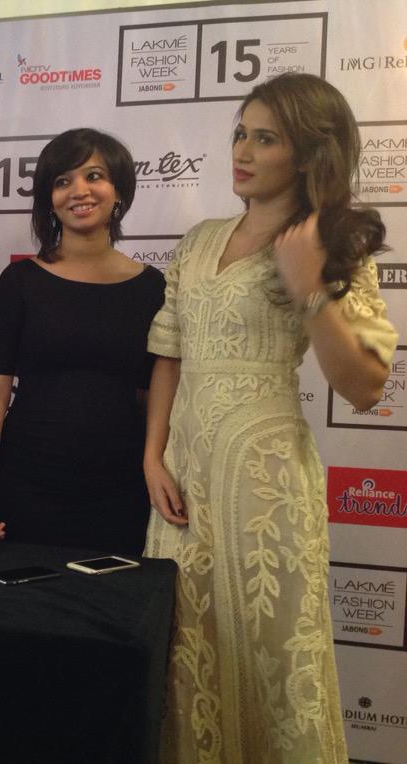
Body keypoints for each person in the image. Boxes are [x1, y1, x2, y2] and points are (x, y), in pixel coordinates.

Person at [142, 73, 398, 761]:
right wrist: (152, 456)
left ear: (310, 154)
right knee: (185, 655)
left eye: (266, 138)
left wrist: (310, 284)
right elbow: (169, 353)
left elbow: (365, 386)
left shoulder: (332, 244)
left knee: (273, 656)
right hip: (183, 482)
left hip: (266, 487)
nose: (243, 151)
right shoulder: (199, 240)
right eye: (240, 134)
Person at [0, 129, 165, 554]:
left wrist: (157, 467)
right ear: (48, 199)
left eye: (95, 176)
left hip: (121, 488)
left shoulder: (152, 288)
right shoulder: (20, 282)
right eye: (62, 181)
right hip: (26, 481)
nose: (79, 191)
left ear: (119, 190)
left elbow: (153, 398)